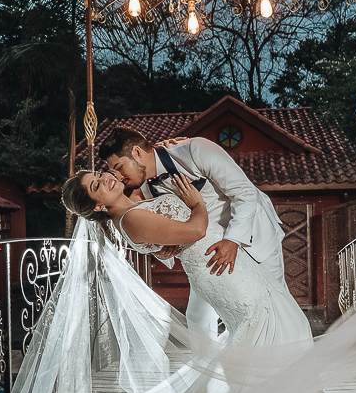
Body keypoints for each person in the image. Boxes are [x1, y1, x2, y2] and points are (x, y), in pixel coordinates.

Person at [61, 169, 326, 393]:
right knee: (263, 322)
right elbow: (196, 230)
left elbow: (172, 237)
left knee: (276, 321)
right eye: (97, 185)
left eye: (100, 173)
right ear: (98, 205)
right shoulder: (130, 219)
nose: (107, 178)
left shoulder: (133, 208)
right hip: (216, 268)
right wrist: (196, 203)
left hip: (224, 260)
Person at [99, 127, 288, 335]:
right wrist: (161, 251)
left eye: (119, 167)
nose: (117, 176)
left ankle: (287, 357)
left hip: (254, 234)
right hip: (209, 249)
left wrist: (233, 240)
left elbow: (245, 192)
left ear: (136, 152)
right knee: (198, 318)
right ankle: (206, 365)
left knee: (277, 306)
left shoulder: (195, 149)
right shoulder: (144, 190)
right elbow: (153, 226)